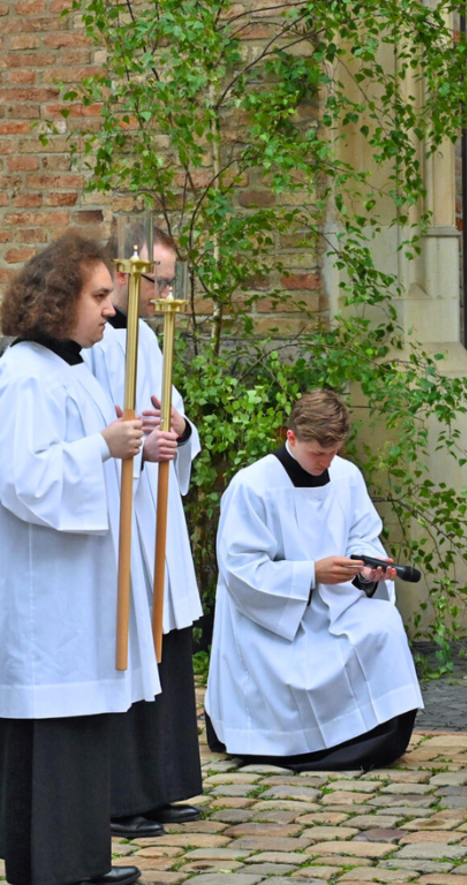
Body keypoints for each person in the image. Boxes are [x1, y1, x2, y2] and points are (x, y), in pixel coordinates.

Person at [0, 233, 155, 885]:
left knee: (83, 725)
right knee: (55, 728)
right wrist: (102, 446)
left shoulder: (71, 370)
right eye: (99, 296)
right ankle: (56, 866)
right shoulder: (25, 376)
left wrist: (135, 443)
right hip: (49, 592)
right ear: (59, 298)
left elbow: (102, 460)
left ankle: (80, 860)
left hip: (80, 584)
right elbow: (22, 477)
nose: (111, 311)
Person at [206, 390, 423, 771]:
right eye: (317, 453)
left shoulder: (346, 476)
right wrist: (310, 573)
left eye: (334, 451)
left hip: (335, 606)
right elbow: (241, 571)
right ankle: (286, 743)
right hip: (271, 620)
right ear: (291, 437)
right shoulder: (252, 486)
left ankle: (377, 739)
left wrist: (367, 571)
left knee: (384, 624)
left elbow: (362, 536)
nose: (326, 462)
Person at [82, 226, 204, 839]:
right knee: (126, 642)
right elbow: (93, 428)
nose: (163, 293)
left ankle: (161, 785)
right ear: (125, 272)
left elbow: (170, 412)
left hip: (157, 512)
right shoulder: (93, 345)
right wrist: (134, 445)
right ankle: (120, 794)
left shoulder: (151, 337)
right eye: (156, 281)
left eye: (170, 282)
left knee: (166, 642)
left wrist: (178, 429)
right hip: (119, 512)